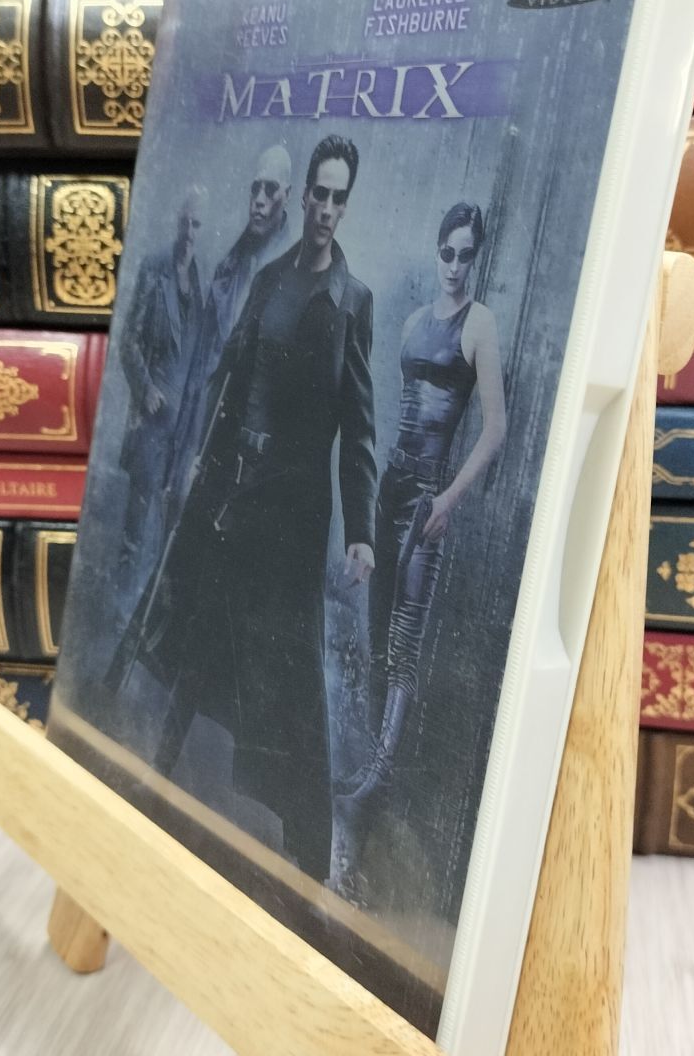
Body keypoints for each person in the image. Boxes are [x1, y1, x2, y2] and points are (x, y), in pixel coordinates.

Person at [127, 136, 377, 882]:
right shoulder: (269, 281)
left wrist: (361, 533)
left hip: (293, 518)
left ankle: (305, 852)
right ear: (303, 197)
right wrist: (198, 461)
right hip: (234, 491)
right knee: (201, 636)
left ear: (345, 205)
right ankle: (152, 778)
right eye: (318, 193)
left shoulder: (353, 303)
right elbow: (229, 385)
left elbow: (359, 428)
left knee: (288, 674)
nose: (326, 208)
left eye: (338, 198)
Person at [334, 201, 506, 884]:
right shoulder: (410, 324)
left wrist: (447, 499)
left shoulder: (479, 324)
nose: (455, 266)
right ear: (437, 252)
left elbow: (495, 428)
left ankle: (378, 779)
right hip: (391, 485)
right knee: (376, 631)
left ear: (476, 258)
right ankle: (370, 767)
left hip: (430, 494)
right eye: (447, 252)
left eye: (466, 255)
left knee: (405, 638)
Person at [163, 145, 292, 521]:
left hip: (247, 448)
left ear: (287, 195)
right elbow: (199, 370)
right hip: (203, 429)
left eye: (270, 190)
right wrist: (182, 447)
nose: (260, 200)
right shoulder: (229, 267)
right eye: (255, 189)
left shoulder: (294, 274)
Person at [115, 185, 206, 615]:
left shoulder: (201, 283)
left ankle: (147, 617)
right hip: (151, 420)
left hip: (180, 427)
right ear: (176, 223)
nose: (189, 232)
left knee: (169, 525)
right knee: (137, 523)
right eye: (184, 222)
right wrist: (146, 388)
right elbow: (127, 340)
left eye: (197, 225)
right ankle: (120, 609)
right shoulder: (155, 269)